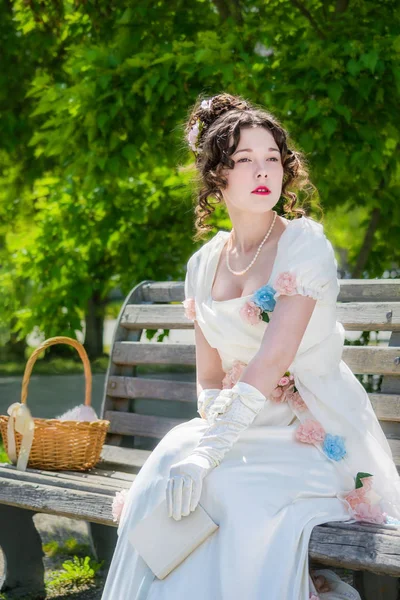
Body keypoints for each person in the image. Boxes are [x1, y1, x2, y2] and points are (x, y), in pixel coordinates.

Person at [101, 93, 400, 600]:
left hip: (310, 428)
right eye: (244, 160)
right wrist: (207, 435)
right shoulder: (203, 263)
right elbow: (210, 378)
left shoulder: (305, 245)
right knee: (166, 468)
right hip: (239, 426)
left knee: (229, 492)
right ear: (217, 176)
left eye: (272, 158)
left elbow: (272, 359)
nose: (263, 170)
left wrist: (211, 453)